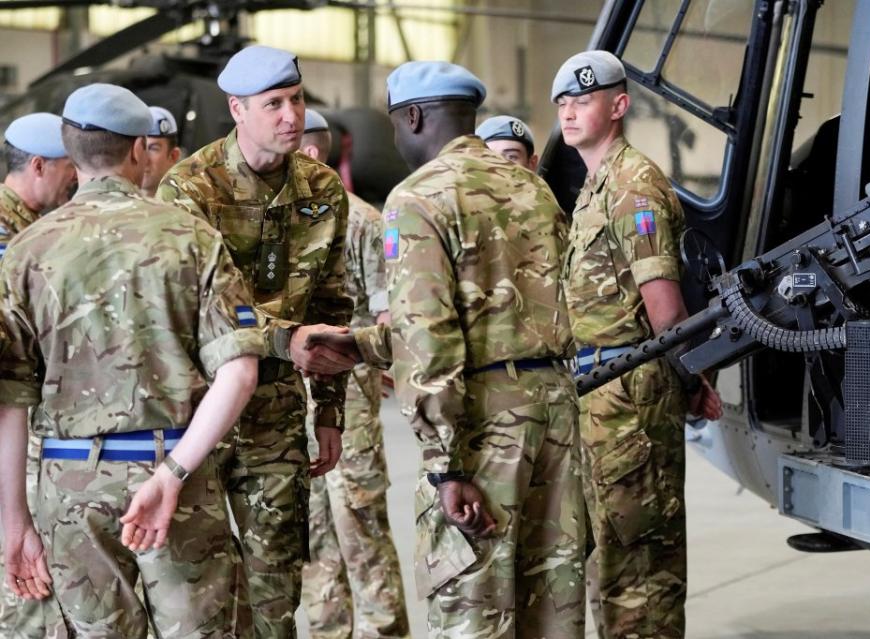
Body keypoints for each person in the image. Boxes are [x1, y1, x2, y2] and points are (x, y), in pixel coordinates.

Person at [0, 82, 264, 638]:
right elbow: (239, 372)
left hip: (68, 486)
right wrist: (173, 474)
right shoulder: (193, 237)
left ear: (69, 152)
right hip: (175, 474)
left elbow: (9, 401)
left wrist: (14, 520)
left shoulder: (26, 252)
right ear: (141, 148)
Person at [372, 60, 585, 638]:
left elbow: (428, 336)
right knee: (553, 602)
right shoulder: (531, 188)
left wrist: (445, 467)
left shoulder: (417, 199)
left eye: (396, 123)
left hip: (483, 420)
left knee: (472, 605)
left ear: (413, 116)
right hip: (556, 411)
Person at [156, 45, 357, 637]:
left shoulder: (321, 187)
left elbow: (331, 306)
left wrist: (331, 411)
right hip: (199, 414)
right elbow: (202, 309)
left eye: (296, 99)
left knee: (276, 592)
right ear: (237, 109)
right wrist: (284, 339)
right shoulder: (190, 188)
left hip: (275, 415)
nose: (292, 115)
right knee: (200, 595)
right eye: (274, 104)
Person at [552, 50, 722, 638]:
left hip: (630, 394)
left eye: (583, 100)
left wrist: (689, 380)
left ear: (618, 105)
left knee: (641, 568)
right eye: (563, 103)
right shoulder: (594, 185)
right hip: (602, 394)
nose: (569, 113)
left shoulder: (632, 183)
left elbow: (666, 309)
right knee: (614, 562)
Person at [298, 109, 410, 638]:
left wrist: (357, 354)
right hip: (292, 408)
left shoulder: (361, 222)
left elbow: (392, 324)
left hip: (352, 410)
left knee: (360, 530)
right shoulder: (282, 227)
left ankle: (383, 630)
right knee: (314, 539)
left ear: (310, 155)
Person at [0, 111, 75, 639]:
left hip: (30, 426)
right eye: (70, 169)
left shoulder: (33, 225)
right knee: (24, 587)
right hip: (12, 427)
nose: (76, 180)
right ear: (39, 165)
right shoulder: (8, 235)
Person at [140, 106, 181, 197]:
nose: (144, 160)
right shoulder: (113, 204)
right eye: (140, 147)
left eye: (153, 149)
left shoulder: (187, 206)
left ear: (173, 156)